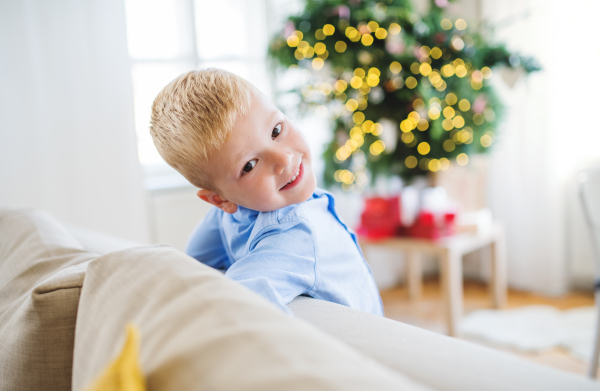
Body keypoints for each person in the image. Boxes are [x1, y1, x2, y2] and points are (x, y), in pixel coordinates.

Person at [150, 68, 383, 316]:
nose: (283, 158)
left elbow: (227, 300)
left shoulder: (296, 233)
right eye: (249, 166)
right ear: (220, 200)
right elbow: (204, 274)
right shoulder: (244, 220)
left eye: (276, 130)